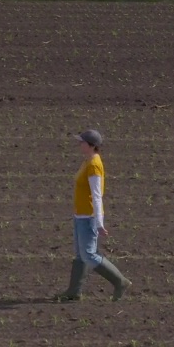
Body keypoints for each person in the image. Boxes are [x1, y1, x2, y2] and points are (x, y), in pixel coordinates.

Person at [53, 129, 131, 302]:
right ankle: (74, 292)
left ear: (91, 145)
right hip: (80, 215)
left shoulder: (94, 165)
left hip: (88, 217)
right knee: (81, 255)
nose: (79, 144)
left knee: (89, 254)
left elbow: (97, 195)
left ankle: (120, 281)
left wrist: (99, 222)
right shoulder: (87, 161)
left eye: (82, 142)